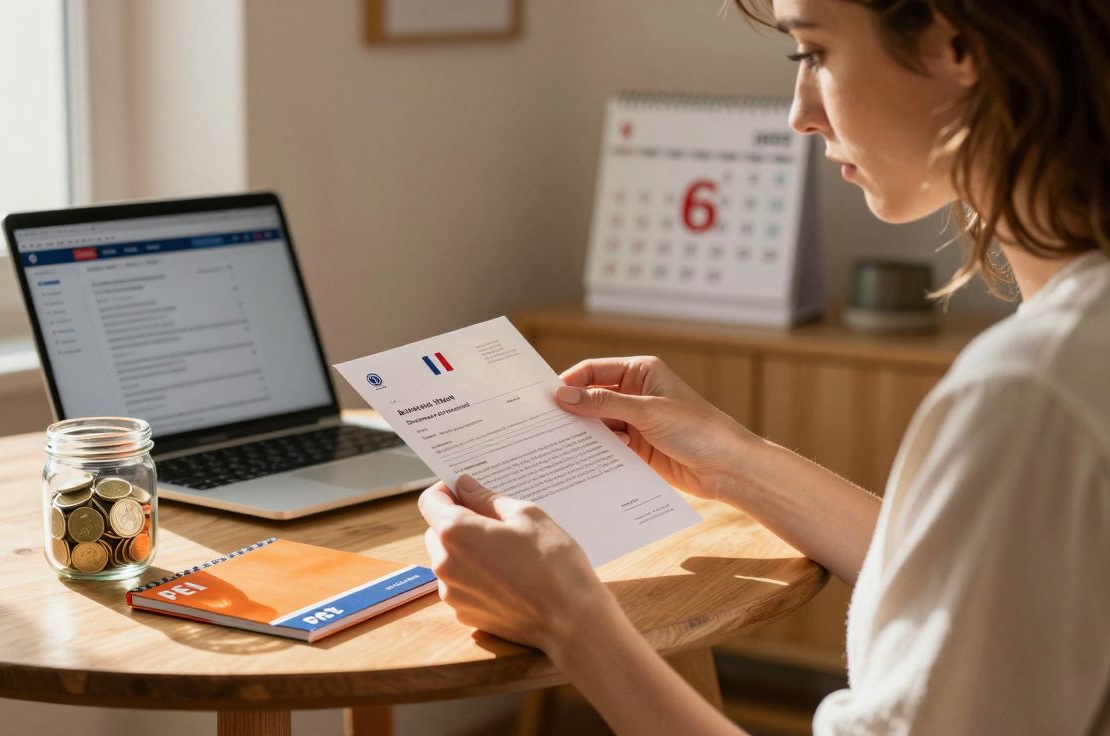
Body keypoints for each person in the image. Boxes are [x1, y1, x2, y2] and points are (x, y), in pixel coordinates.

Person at [417, 0, 1110, 733]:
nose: (799, 115)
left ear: (956, 44)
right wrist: (732, 460)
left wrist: (569, 620)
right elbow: (981, 580)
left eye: (813, 53)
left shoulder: (1034, 390)